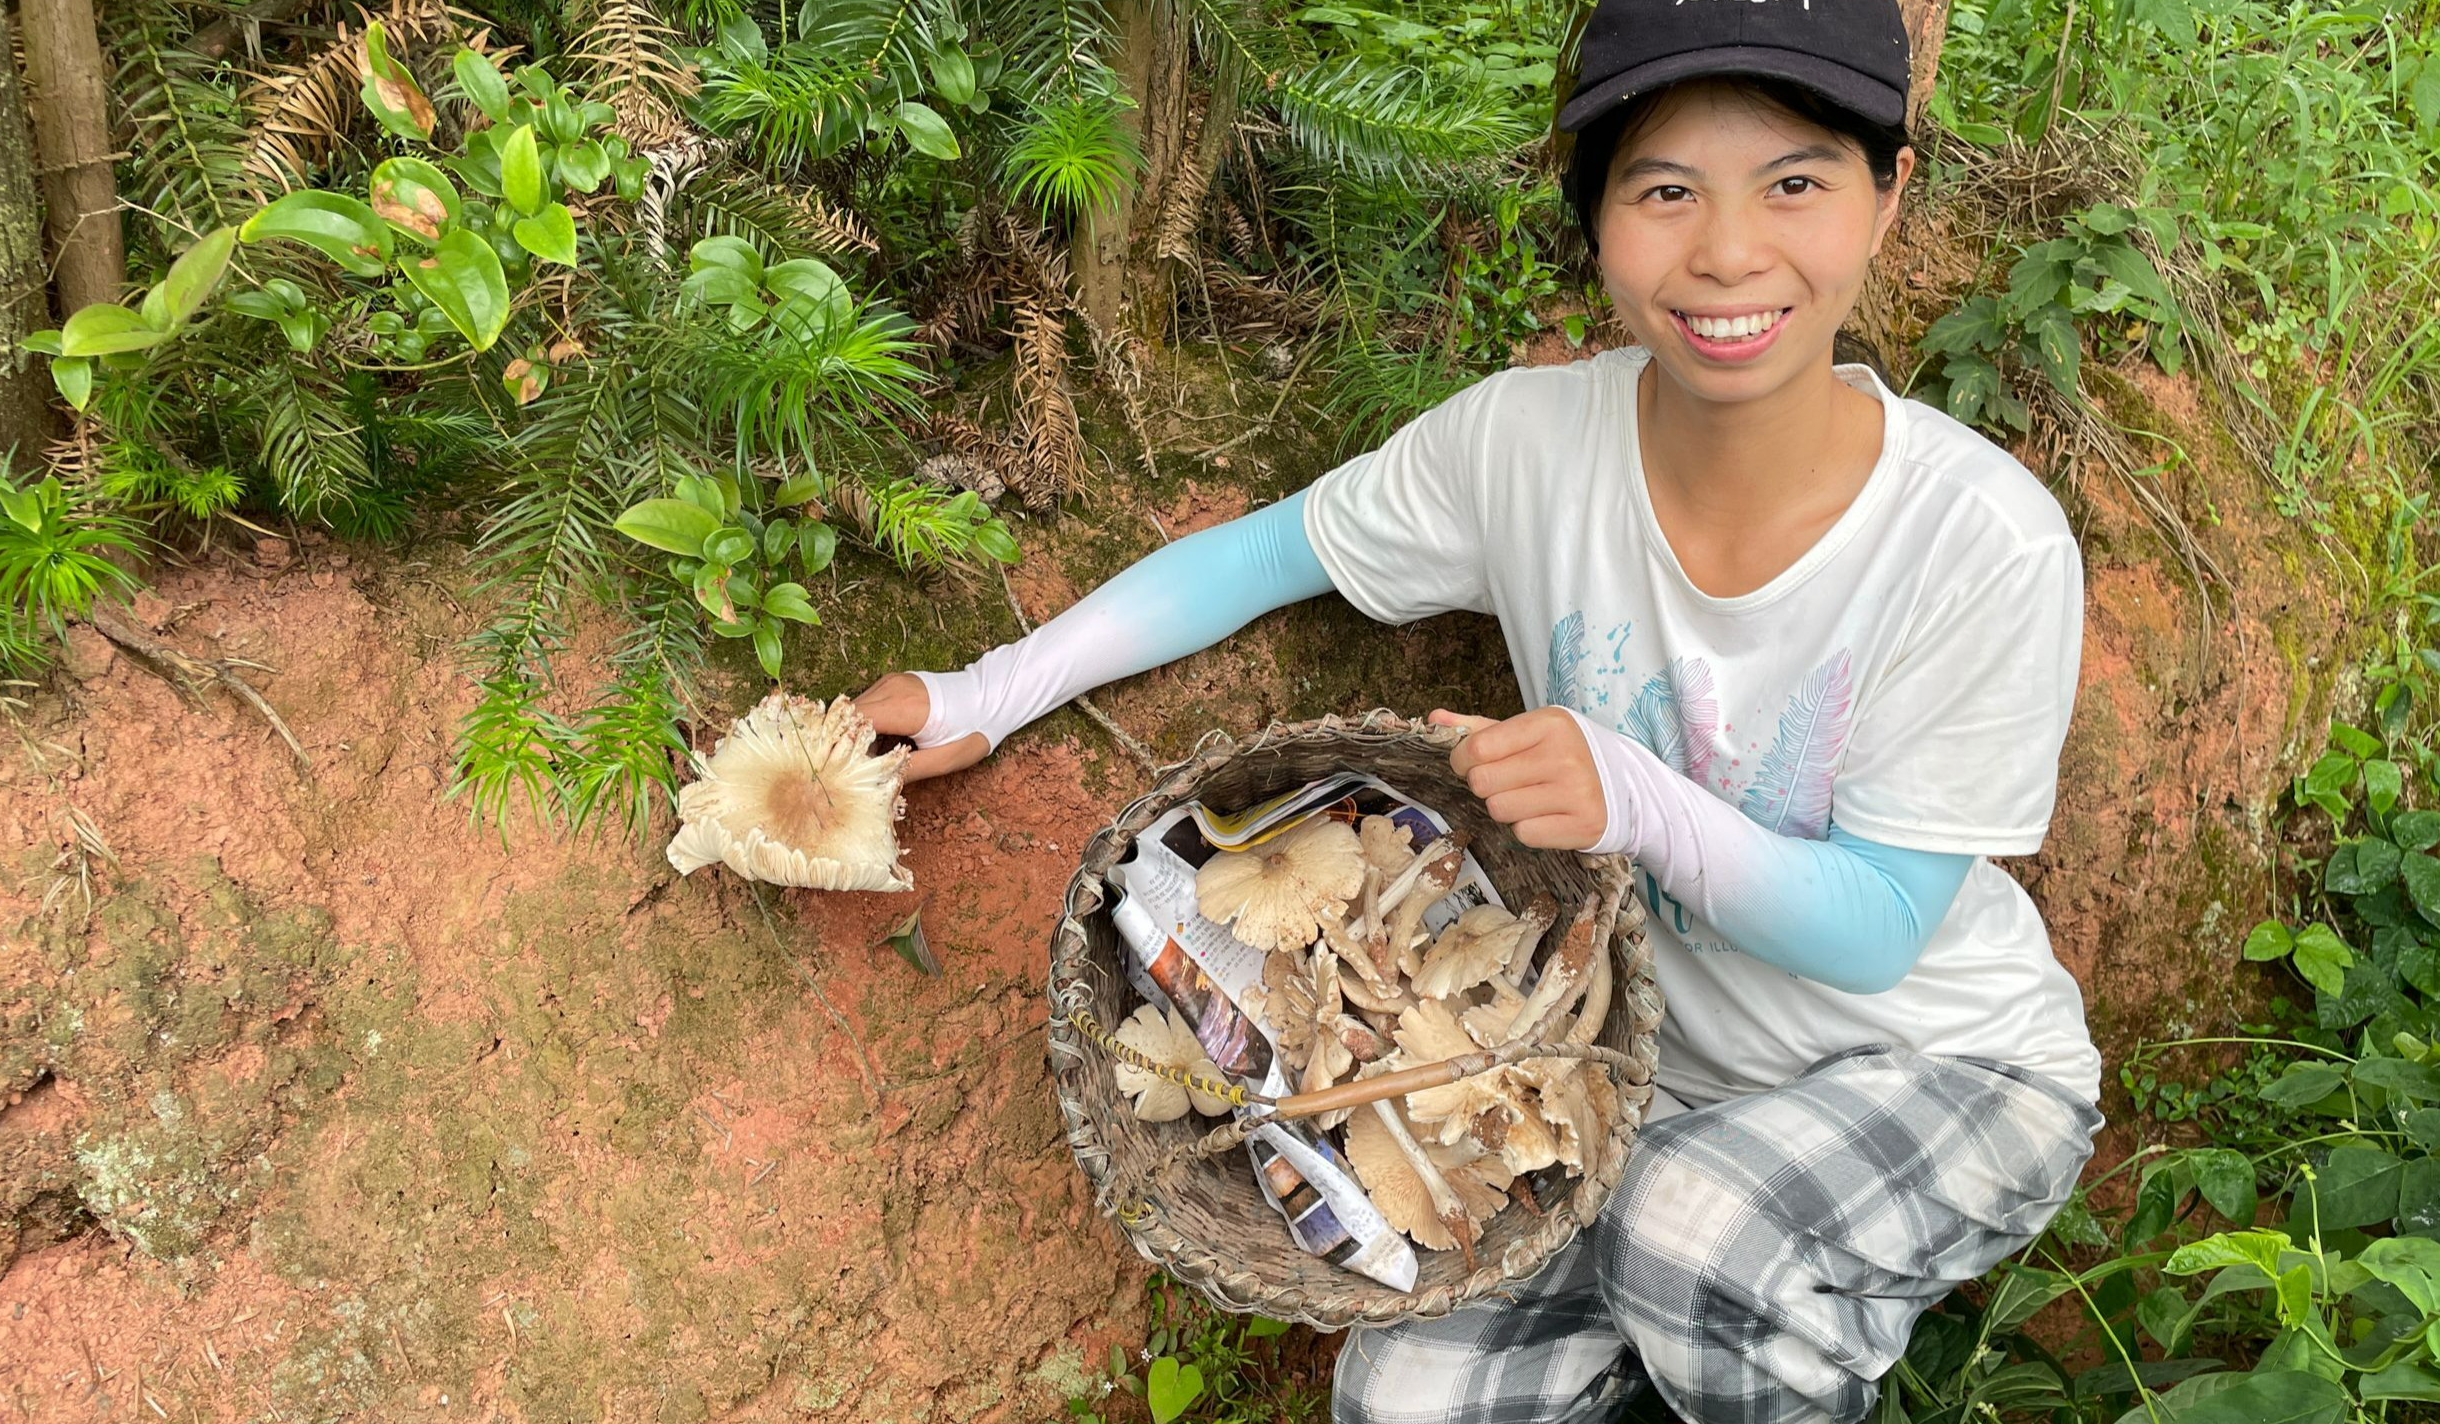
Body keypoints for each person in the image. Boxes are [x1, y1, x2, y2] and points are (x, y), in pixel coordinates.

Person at [858, 0, 2103, 1414]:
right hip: (1650, 1082)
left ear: (1890, 197)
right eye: (1665, 189)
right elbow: (1270, 552)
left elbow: (1877, 929)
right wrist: (987, 691)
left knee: (1700, 1241)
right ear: (1597, 217)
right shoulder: (1528, 444)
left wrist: (1633, 796)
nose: (1729, 252)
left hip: (1943, 1067)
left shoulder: (1977, 538)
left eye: (1798, 182)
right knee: (1407, 1404)